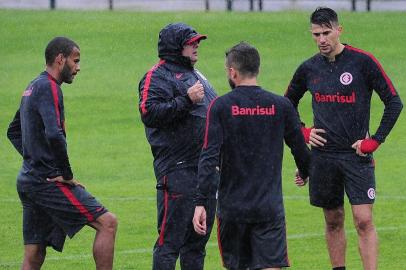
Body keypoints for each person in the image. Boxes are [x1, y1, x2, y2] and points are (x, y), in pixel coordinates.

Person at [285, 7, 403, 270]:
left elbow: (394, 102)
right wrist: (303, 132)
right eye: (317, 34)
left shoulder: (362, 62)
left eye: (327, 32)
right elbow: (286, 105)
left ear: (340, 30)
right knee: (333, 219)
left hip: (356, 156)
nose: (322, 39)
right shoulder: (308, 68)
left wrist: (375, 140)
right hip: (323, 158)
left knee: (363, 219)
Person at [193, 42, 311, 270]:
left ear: (232, 72)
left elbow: (208, 158)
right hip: (268, 208)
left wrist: (200, 202)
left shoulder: (220, 106)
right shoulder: (281, 105)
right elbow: (300, 150)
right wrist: (304, 172)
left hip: (232, 210)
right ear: (257, 69)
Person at [7, 37, 118, 270]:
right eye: (75, 61)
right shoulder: (50, 87)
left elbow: (13, 131)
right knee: (107, 223)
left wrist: (34, 159)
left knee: (34, 253)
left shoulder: (32, 86)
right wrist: (64, 174)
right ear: (60, 59)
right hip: (46, 181)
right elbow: (55, 134)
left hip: (28, 180)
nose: (78, 68)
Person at [138, 23, 218, 270]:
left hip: (206, 171)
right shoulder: (157, 76)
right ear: (175, 47)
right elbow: (148, 112)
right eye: (191, 43)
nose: (196, 47)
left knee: (196, 244)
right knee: (169, 243)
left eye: (197, 42)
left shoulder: (197, 74)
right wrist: (186, 100)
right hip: (177, 171)